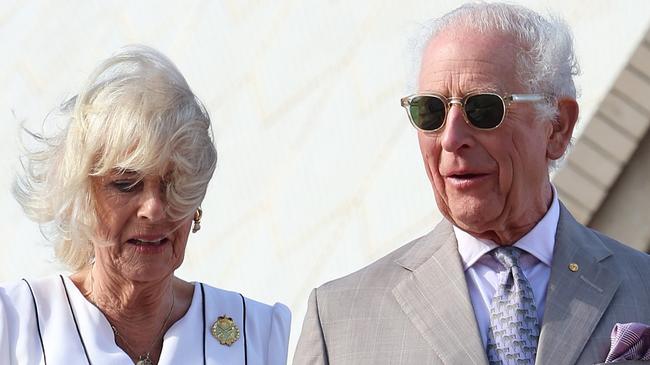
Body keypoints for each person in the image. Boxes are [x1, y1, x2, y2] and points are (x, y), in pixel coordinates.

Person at [293, 3, 650, 365]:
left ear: (557, 125)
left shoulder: (642, 287)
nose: (451, 138)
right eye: (430, 111)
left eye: (482, 108)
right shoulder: (338, 320)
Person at [0, 45, 290, 365]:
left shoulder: (258, 334)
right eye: (125, 184)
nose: (152, 208)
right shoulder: (15, 325)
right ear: (81, 197)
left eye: (172, 184)